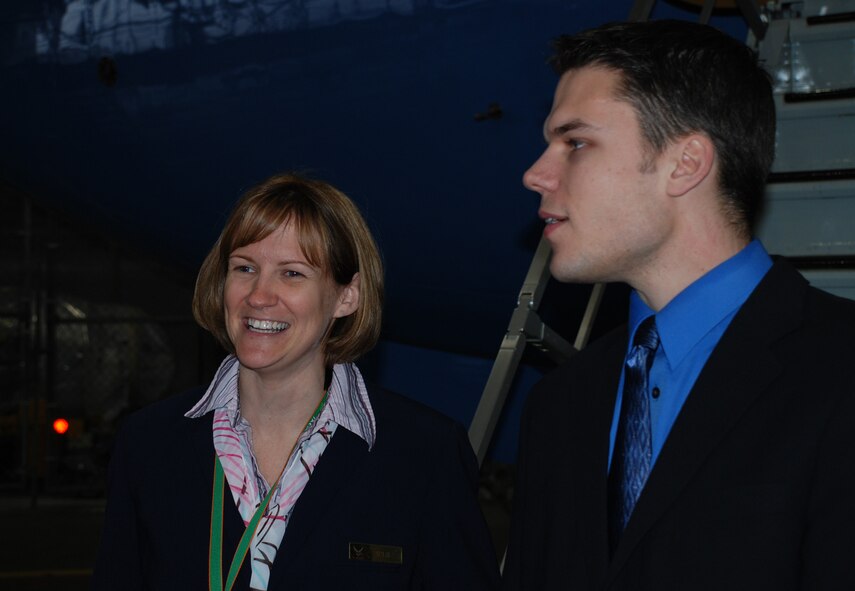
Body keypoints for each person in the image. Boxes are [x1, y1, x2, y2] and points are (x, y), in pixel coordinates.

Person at [503, 19, 855, 590]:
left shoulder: (840, 370)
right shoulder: (558, 405)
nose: (535, 174)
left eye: (576, 143)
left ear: (686, 163)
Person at [92, 173, 500, 590]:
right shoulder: (148, 444)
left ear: (347, 296)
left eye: (292, 274)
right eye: (245, 267)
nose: (259, 295)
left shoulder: (424, 454)